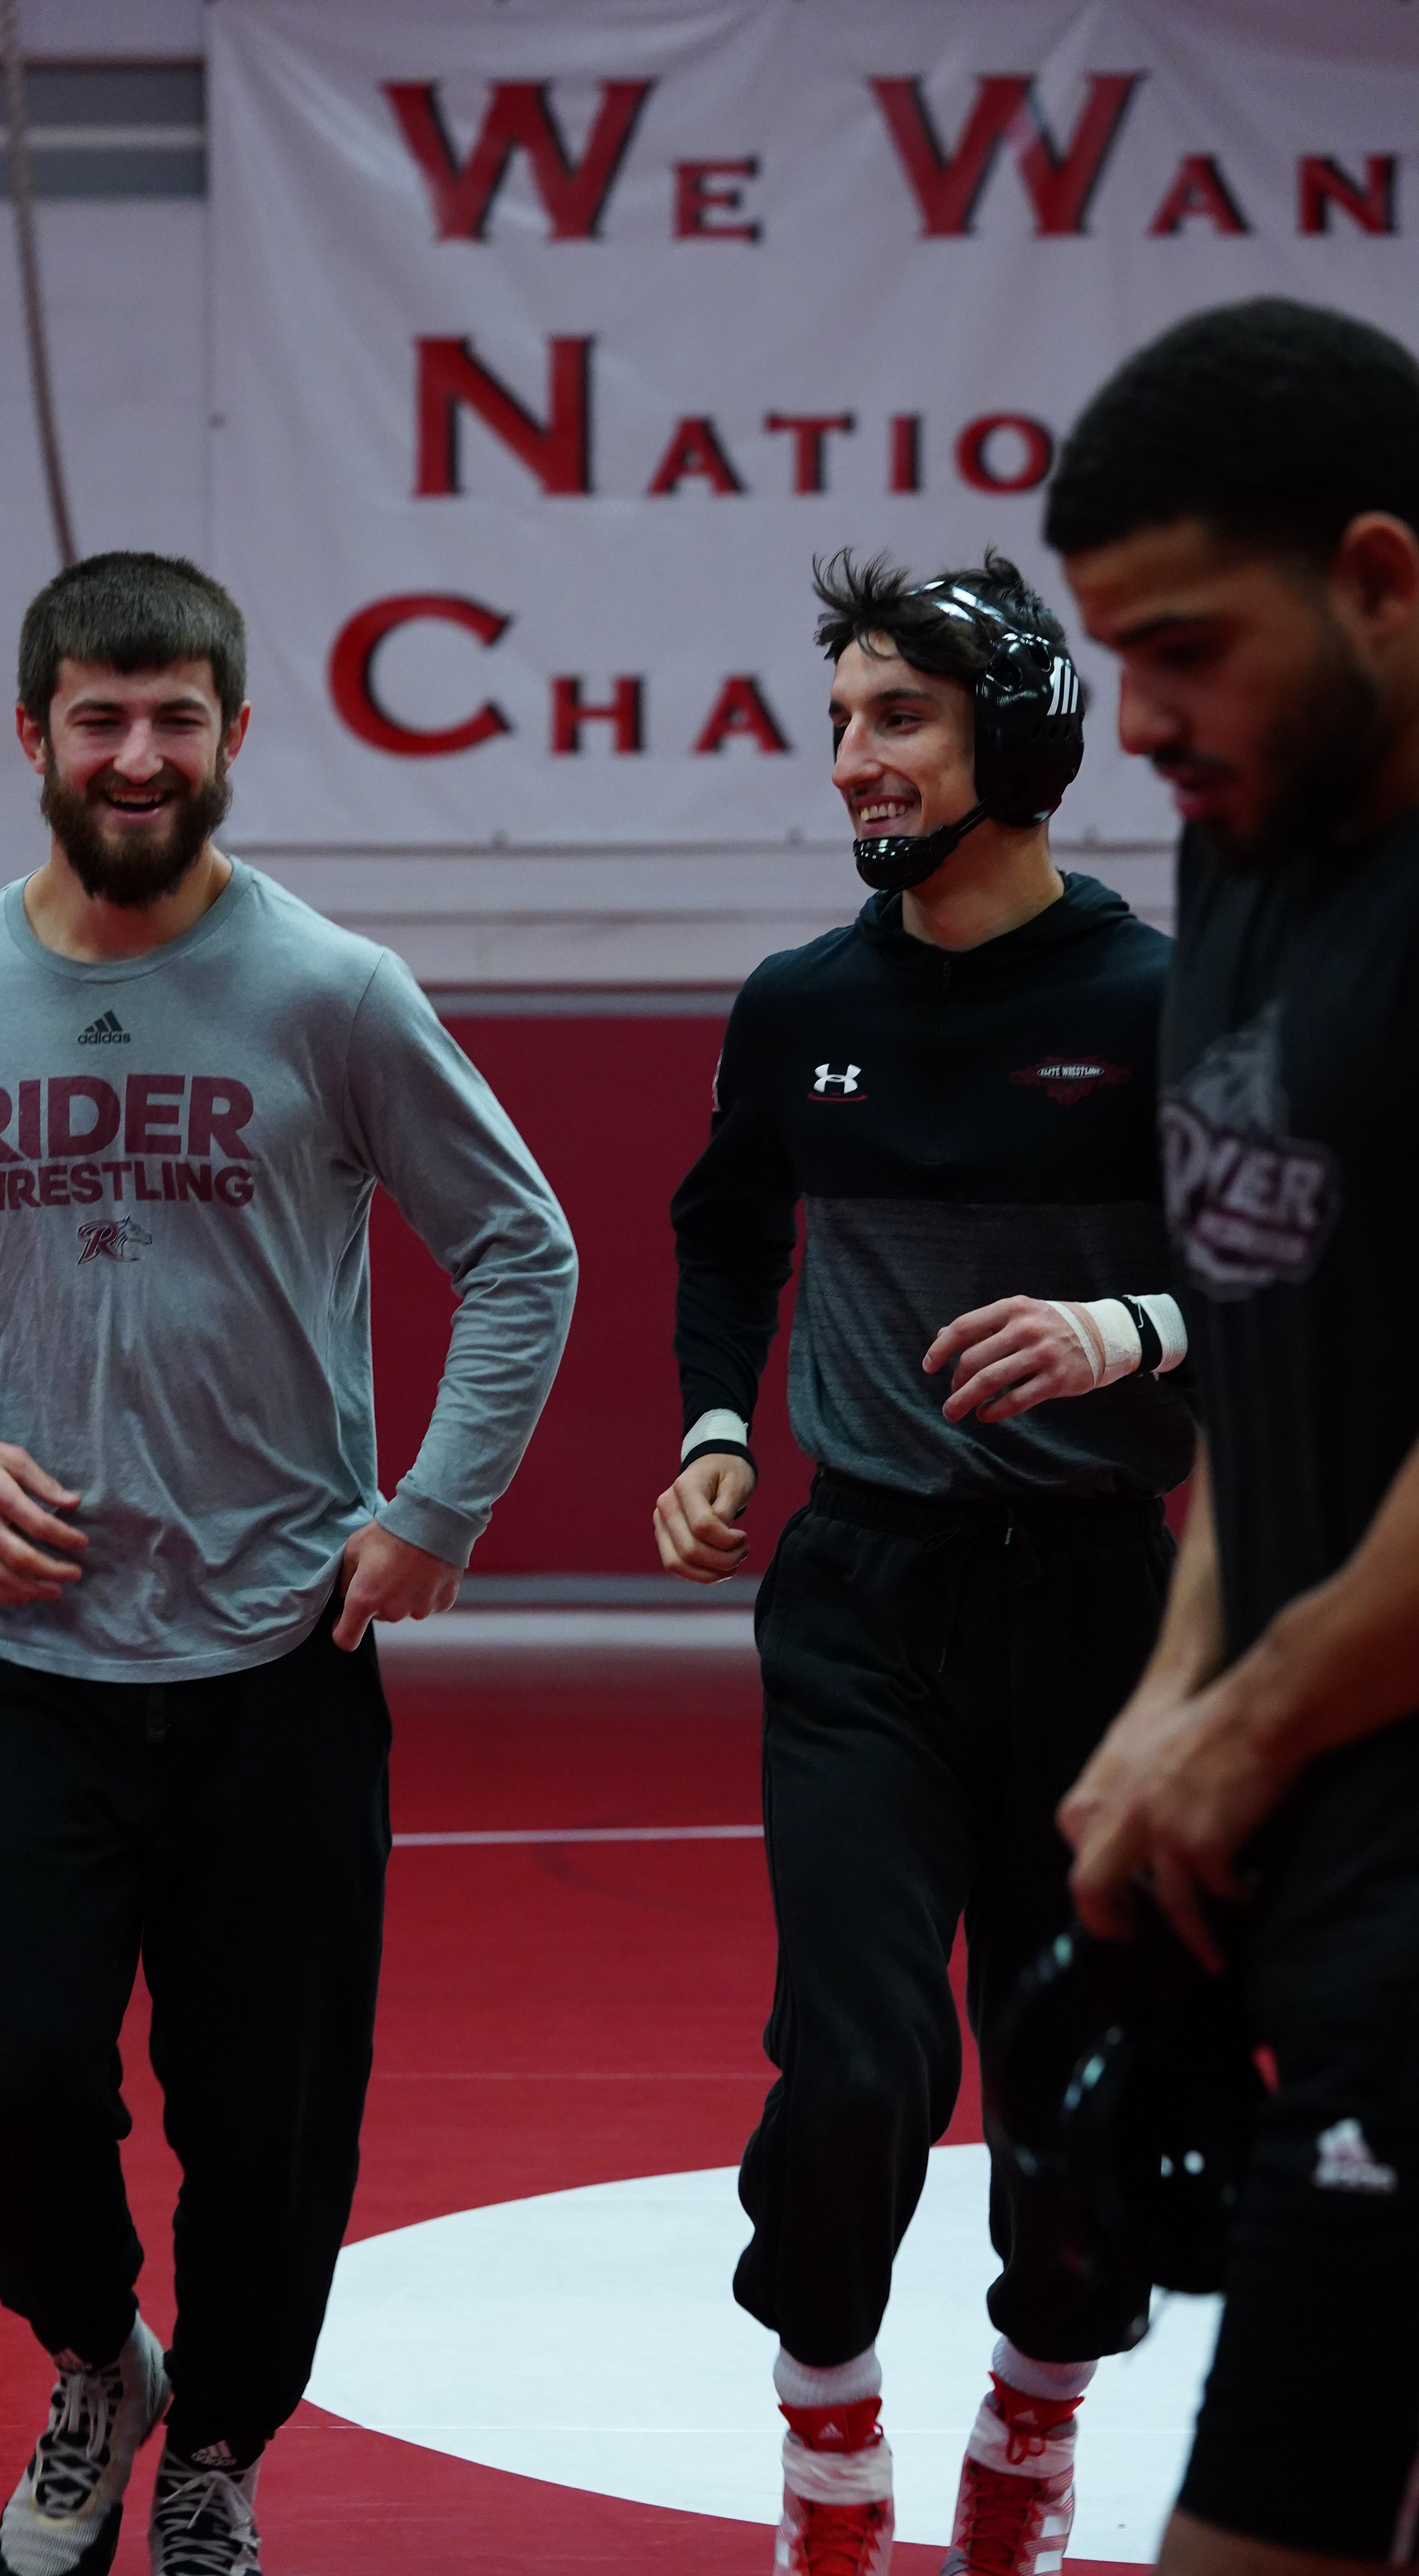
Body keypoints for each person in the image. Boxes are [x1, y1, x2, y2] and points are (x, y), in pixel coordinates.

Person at [0, 551, 576, 2576]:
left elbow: (523, 1246)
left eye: (174, 718)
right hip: (20, 1660)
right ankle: (100, 2361)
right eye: (99, 718)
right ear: (34, 733)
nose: (136, 756)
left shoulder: (334, 990)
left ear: (236, 734)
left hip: (275, 1664)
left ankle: (218, 2440)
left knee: (270, 2130)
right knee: (16, 2094)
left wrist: (436, 1509)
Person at [654, 551, 1194, 2576]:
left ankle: (1037, 2417)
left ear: (1021, 742)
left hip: (1102, 1610)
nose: (854, 761)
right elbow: (725, 1236)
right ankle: (827, 2427)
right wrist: (717, 1428)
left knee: (1076, 2091)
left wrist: (1127, 1330)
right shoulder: (801, 1007)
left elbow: (1316, 1285)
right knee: (862, 2053)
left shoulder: (1163, 1006)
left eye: (899, 718)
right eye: (841, 724)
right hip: (863, 1600)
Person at [1045, 298, 1419, 2576]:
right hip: (1325, 1827)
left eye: (1186, 648)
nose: (1142, 722)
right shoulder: (1250, 846)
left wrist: (1251, 1724)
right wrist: (1177, 1695)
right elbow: (1283, 1332)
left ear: (1380, 577)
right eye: (1117, 657)